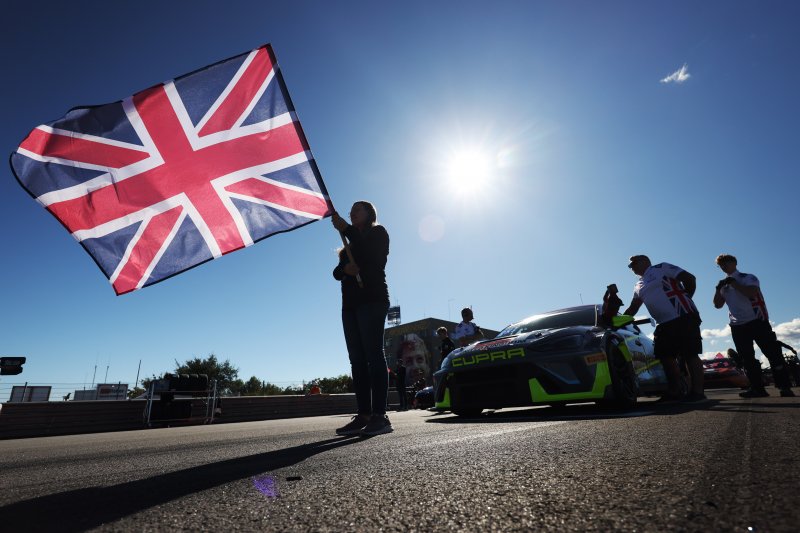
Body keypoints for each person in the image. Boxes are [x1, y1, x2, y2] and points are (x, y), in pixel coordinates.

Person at [332, 201, 393, 436]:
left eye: (358, 208)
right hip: (350, 305)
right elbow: (337, 272)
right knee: (356, 359)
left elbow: (372, 255)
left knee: (373, 354)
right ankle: (364, 414)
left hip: (373, 300)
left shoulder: (378, 233)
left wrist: (347, 229)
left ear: (370, 213)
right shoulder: (347, 246)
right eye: (351, 210)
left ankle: (380, 416)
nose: (352, 212)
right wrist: (344, 270)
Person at [623, 255, 706, 403]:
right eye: (630, 266)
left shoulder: (662, 268)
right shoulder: (638, 285)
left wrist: (686, 298)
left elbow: (689, 278)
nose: (632, 267)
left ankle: (698, 392)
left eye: (634, 263)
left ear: (645, 261)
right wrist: (618, 320)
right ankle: (675, 391)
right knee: (665, 356)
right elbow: (633, 307)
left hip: (683, 315)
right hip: (663, 323)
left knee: (690, 353)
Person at [712, 254, 794, 398]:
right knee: (747, 358)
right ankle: (757, 388)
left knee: (772, 353)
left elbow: (751, 293)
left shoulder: (747, 277)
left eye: (726, 263)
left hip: (757, 320)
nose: (724, 267)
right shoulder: (724, 285)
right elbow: (717, 305)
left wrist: (735, 284)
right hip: (737, 325)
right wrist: (718, 289)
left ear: (734, 263)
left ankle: (784, 386)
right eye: (721, 265)